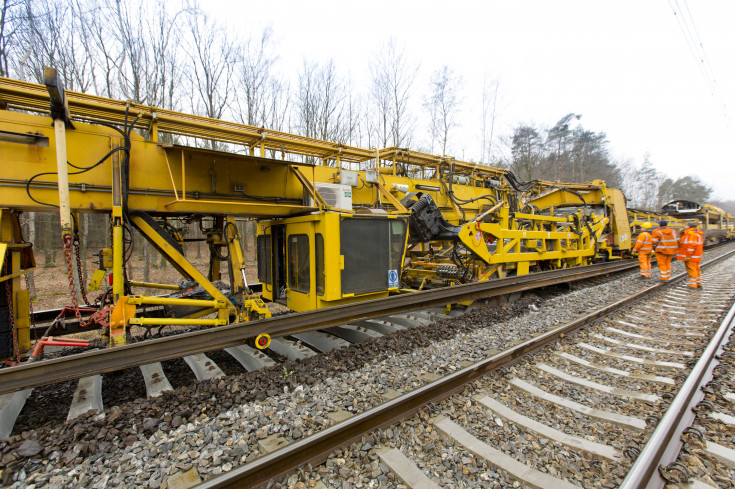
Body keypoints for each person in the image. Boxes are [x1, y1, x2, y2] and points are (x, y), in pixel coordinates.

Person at [677, 221, 703, 288]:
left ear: (688, 226)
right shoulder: (697, 233)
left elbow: (691, 245)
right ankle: (698, 283)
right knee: (697, 269)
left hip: (691, 256)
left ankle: (692, 284)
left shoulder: (691, 234)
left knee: (691, 269)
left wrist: (688, 255)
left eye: (686, 226)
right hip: (697, 255)